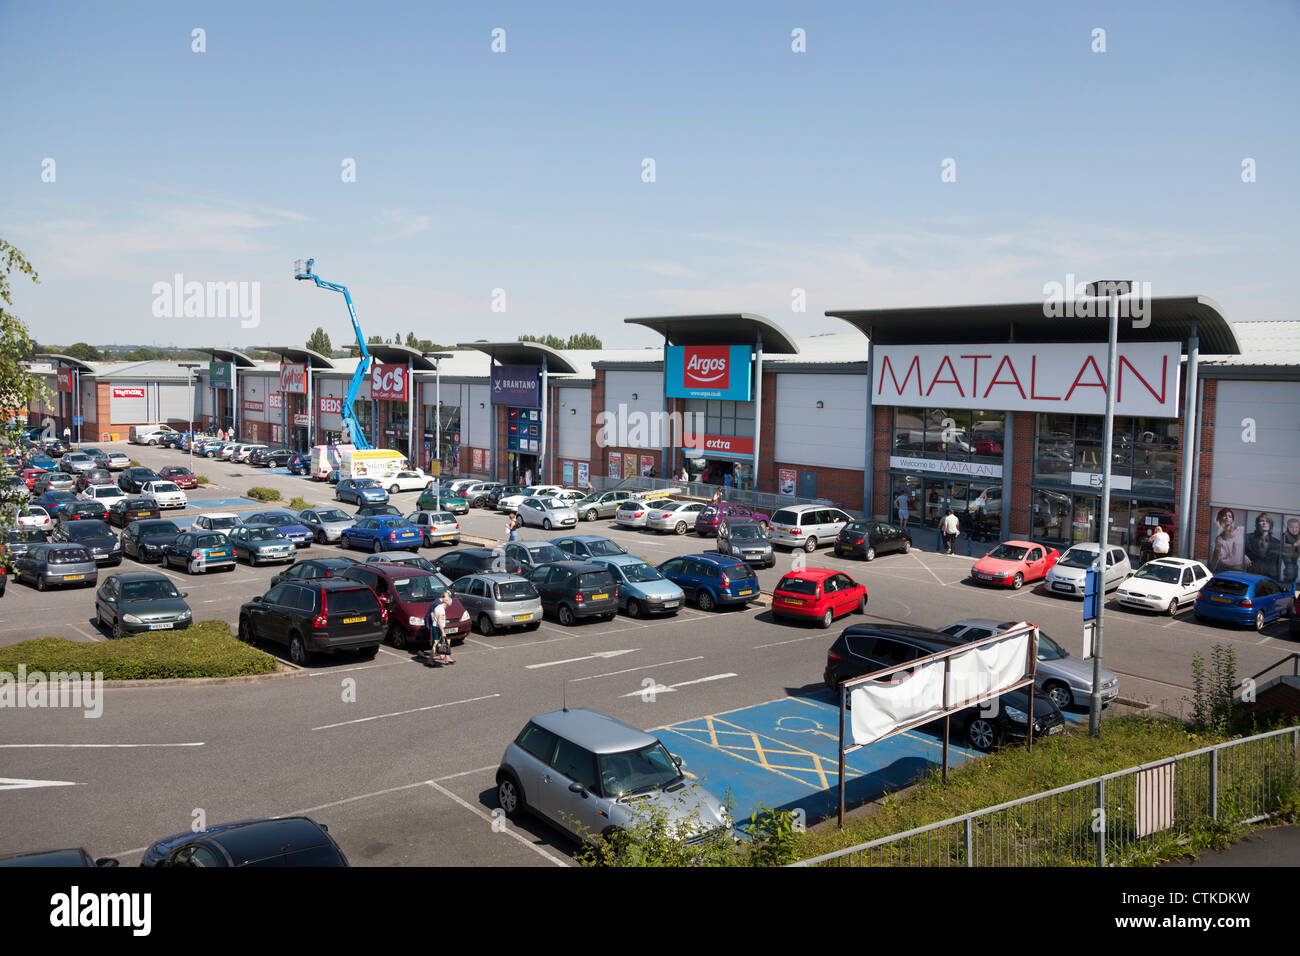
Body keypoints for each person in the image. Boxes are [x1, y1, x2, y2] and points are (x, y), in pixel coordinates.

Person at [1244, 513, 1282, 580]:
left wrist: (1277, 580)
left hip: (1269, 577)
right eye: (1262, 521)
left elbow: (1278, 563)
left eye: (1267, 521)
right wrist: (1243, 556)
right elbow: (1236, 549)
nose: (1264, 523)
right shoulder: (1247, 537)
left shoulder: (1277, 543)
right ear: (1257, 524)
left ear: (1270, 525)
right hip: (1251, 574)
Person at [424, 591, 454, 667]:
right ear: (446, 604)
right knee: (437, 645)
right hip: (438, 628)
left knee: (442, 643)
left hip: (435, 627)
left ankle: (447, 658)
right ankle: (430, 660)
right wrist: (443, 631)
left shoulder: (437, 607)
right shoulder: (441, 610)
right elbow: (439, 622)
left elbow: (434, 617)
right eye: (448, 605)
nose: (448, 607)